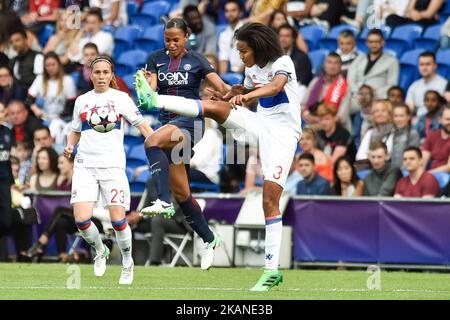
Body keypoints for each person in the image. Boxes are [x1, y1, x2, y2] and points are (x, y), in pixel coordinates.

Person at [135, 22, 301, 291]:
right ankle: (155, 101)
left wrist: (245, 98)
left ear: (257, 47)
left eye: (244, 51)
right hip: (260, 124)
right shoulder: (250, 68)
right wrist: (230, 93)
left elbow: (273, 88)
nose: (241, 57)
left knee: (270, 199)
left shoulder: (283, 61)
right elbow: (243, 91)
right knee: (215, 106)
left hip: (283, 135)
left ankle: (271, 271)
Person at [138, 18, 231, 271]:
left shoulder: (198, 60)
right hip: (168, 124)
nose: (171, 44)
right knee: (183, 194)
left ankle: (163, 201)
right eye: (167, 39)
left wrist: (235, 94)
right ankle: (210, 239)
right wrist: (146, 87)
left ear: (187, 36)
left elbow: (222, 86)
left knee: (151, 140)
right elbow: (151, 96)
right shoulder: (155, 58)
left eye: (175, 39)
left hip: (191, 123)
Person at [64, 55, 153, 284]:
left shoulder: (121, 99)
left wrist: (156, 142)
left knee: (117, 221)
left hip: (113, 166)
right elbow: (76, 129)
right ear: (91, 75)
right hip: (85, 165)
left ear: (111, 74)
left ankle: (126, 262)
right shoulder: (82, 101)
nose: (101, 76)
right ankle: (100, 250)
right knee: (82, 219)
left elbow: (142, 125)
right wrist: (70, 146)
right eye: (97, 72)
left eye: (105, 72)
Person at [127, 177, 192, 266]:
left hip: (179, 223)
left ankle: (154, 262)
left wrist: (142, 214)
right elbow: (144, 204)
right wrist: (136, 216)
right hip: (156, 220)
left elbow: (172, 209)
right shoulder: (151, 181)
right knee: (130, 224)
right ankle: (129, 262)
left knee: (157, 220)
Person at [347, 29, 399, 112]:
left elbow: (392, 85)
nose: (374, 45)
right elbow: (350, 80)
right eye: (371, 42)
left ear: (382, 42)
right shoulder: (359, 58)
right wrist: (359, 93)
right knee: (340, 108)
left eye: (377, 42)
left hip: (378, 98)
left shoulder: (392, 61)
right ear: (367, 43)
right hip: (357, 97)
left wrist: (371, 95)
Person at [302, 53, 351, 131]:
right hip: (311, 123)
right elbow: (303, 105)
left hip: (334, 128)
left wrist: (321, 122)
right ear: (324, 65)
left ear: (340, 66)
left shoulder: (345, 86)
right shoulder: (315, 82)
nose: (332, 66)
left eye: (336, 63)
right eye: (329, 62)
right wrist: (306, 115)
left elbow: (341, 117)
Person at [27, 52, 77, 122]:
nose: (50, 68)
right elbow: (29, 99)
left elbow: (71, 104)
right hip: (44, 118)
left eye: (53, 64)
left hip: (62, 119)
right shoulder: (40, 79)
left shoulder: (68, 80)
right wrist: (35, 109)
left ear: (59, 64)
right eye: (47, 65)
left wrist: (58, 118)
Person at [405, 52, 447, 118]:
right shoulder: (414, 86)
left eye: (428, 64)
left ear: (435, 66)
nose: (424, 67)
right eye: (421, 64)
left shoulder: (444, 85)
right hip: (417, 122)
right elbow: (408, 109)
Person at [277, 23, 312, 88]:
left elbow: (302, 81)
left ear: (293, 39)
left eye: (287, 36)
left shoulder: (302, 57)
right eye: (280, 36)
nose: (283, 39)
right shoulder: (273, 56)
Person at [218, 0, 245, 75]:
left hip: (246, 72)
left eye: (233, 10)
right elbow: (223, 59)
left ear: (240, 13)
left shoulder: (247, 31)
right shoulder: (223, 34)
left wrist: (238, 76)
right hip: (231, 73)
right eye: (227, 11)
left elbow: (251, 56)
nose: (230, 14)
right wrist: (223, 79)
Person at [421, 106, 450, 173]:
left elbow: (449, 167)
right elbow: (423, 160)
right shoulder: (432, 135)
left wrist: (427, 174)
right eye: (448, 119)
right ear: (440, 120)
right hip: (433, 175)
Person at [391, 104, 420, 168]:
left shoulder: (412, 133)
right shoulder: (390, 133)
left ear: (408, 117)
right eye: (395, 116)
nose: (398, 119)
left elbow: (412, 156)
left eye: (401, 116)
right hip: (391, 170)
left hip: (405, 171)